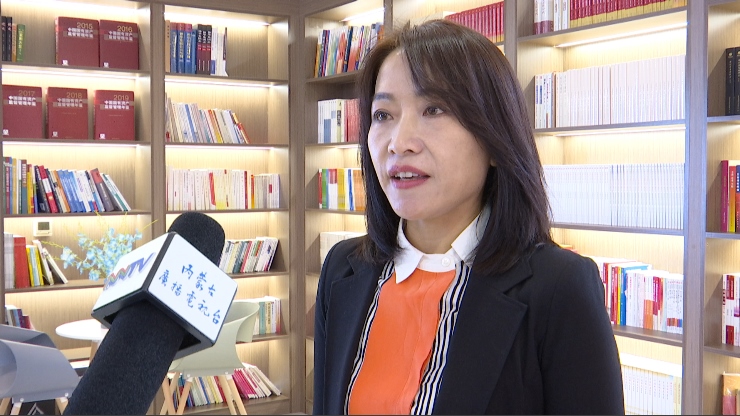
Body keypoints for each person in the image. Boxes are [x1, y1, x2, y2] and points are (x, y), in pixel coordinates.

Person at [313, 19, 624, 415]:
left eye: (433, 109)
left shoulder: (559, 287)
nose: (399, 143)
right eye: (383, 115)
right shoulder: (343, 269)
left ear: (494, 139)